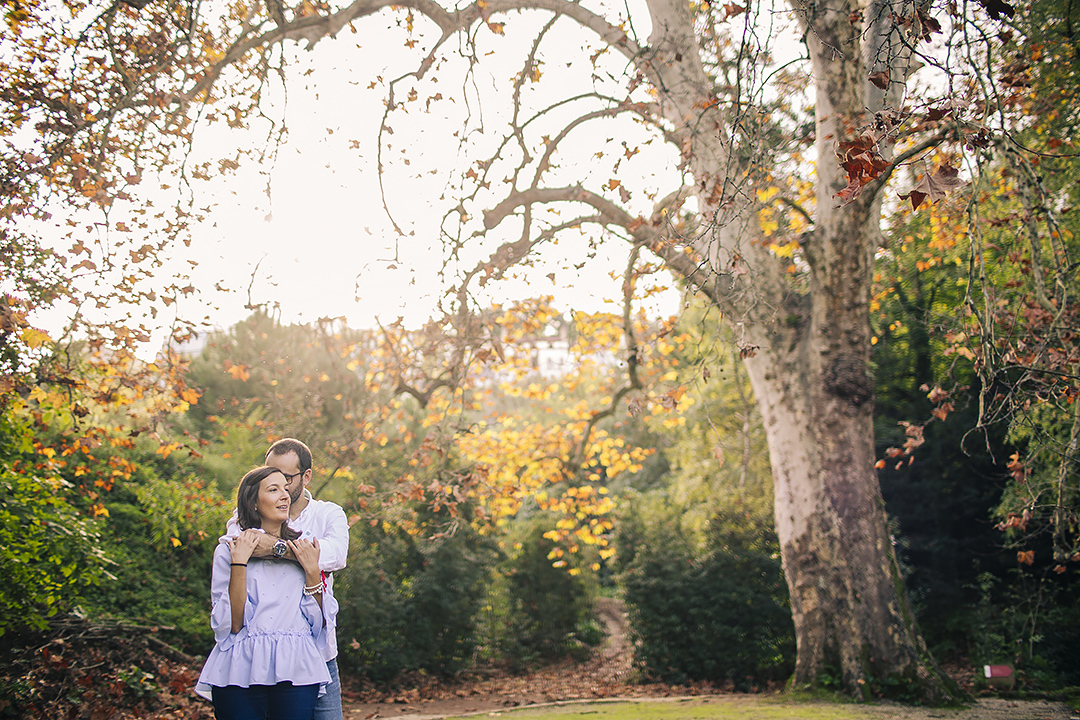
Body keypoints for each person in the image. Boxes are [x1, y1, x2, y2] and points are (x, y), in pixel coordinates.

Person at [221, 439, 350, 720]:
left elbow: (335, 555)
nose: (278, 482)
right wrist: (299, 553)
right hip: (257, 653)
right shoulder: (243, 516)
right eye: (270, 474)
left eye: (287, 478)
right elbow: (237, 544)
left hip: (318, 650)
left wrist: (275, 547)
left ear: (306, 477)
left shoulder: (328, 514)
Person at [196, 465, 337, 719]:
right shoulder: (228, 550)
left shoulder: (304, 546)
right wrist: (239, 563)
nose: (285, 495)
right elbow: (232, 625)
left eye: (285, 488)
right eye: (273, 490)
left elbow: (319, 624)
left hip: (297, 667)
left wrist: (312, 571)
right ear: (253, 503)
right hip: (239, 669)